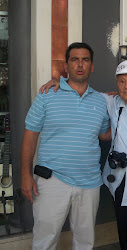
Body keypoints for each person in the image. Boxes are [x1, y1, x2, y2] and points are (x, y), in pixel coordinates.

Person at [40, 60, 127, 250]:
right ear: (116, 84)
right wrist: (62, 83)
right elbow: (83, 91)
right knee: (126, 238)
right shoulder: (111, 102)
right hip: (119, 184)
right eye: (122, 81)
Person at [21, 42, 110, 250]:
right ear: (66, 65)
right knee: (45, 240)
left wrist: (122, 102)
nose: (80, 64)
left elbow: (105, 133)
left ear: (92, 66)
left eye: (85, 60)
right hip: (52, 180)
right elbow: (30, 136)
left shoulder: (100, 101)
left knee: (85, 242)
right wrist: (25, 174)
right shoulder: (47, 95)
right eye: (74, 59)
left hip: (90, 183)